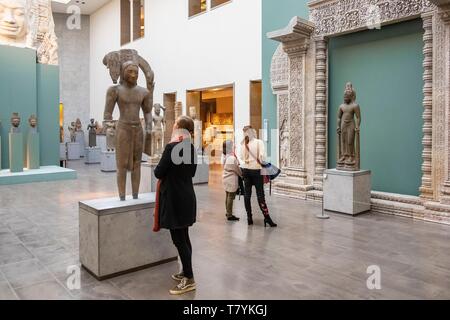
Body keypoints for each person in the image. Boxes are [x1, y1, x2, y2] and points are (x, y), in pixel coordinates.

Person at [154, 115, 198, 295]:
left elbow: (158, 172)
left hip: (174, 200)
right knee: (184, 237)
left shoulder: (172, 147)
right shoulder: (191, 147)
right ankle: (185, 271)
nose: (172, 125)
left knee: (179, 240)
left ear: (179, 127)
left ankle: (189, 278)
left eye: (175, 123)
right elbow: (192, 172)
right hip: (186, 197)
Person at [239, 125, 277, 227]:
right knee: (260, 196)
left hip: (246, 171)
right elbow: (262, 157)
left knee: (247, 195)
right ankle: (267, 218)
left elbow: (242, 158)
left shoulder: (243, 144)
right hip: (256, 171)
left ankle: (249, 218)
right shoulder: (259, 142)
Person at [222, 140, 242, 222]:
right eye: (233, 145)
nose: (235, 146)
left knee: (227, 195)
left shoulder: (225, 156)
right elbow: (236, 168)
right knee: (230, 196)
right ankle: (229, 215)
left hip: (226, 177)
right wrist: (241, 174)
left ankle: (228, 212)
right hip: (231, 179)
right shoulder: (232, 157)